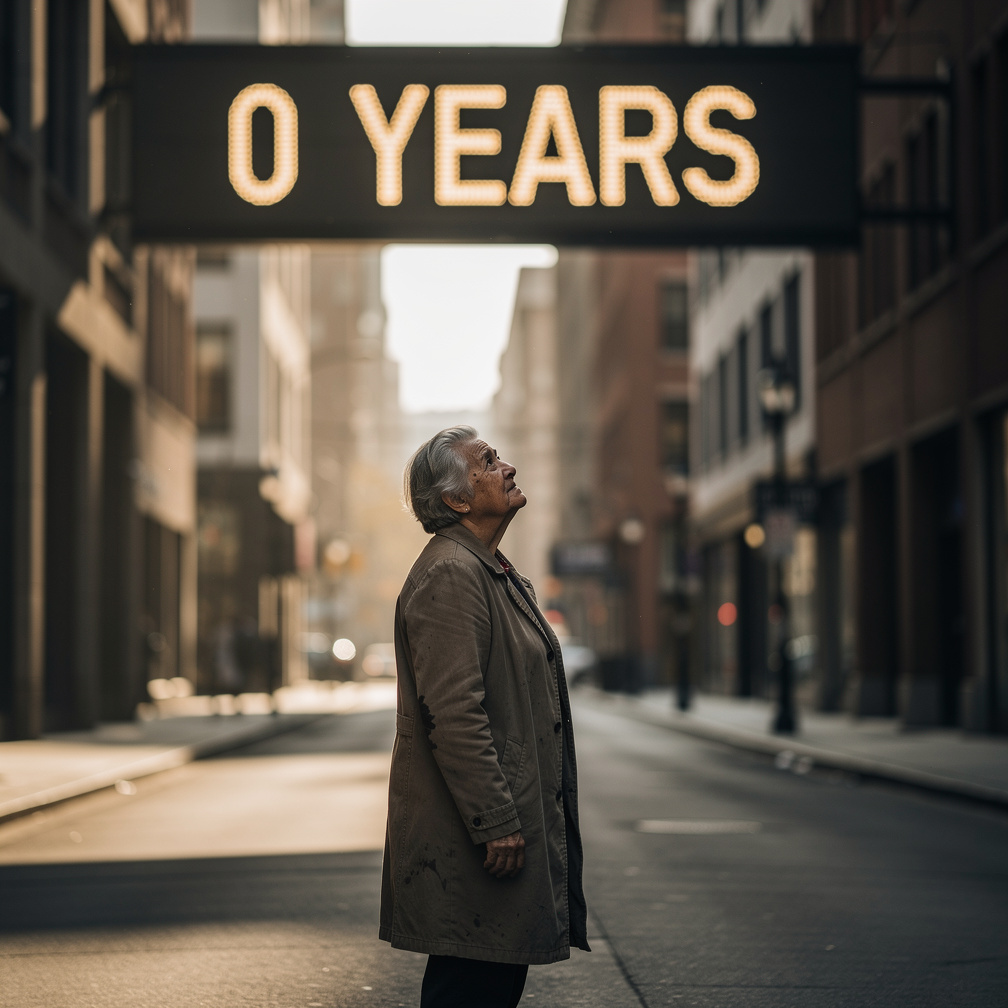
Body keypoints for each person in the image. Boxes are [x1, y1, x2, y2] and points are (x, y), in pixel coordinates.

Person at [380, 426, 589, 1008]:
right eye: (489, 462)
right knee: (470, 989)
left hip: (489, 828)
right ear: (456, 499)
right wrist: (496, 819)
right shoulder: (452, 572)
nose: (509, 467)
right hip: (474, 835)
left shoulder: (487, 566)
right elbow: (453, 712)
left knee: (486, 985)